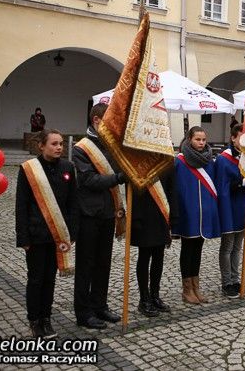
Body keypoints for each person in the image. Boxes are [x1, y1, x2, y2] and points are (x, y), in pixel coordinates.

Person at [16, 129, 78, 338]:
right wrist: (23, 237)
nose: (59, 147)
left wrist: (72, 232)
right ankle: (34, 320)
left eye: (61, 143)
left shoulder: (68, 167)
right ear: (41, 146)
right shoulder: (29, 169)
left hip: (57, 236)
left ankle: (46, 319)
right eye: (54, 144)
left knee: (50, 279)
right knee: (36, 279)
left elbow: (73, 202)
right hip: (36, 235)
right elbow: (21, 205)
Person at [73, 103, 126, 330]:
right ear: (96, 120)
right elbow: (89, 180)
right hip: (88, 214)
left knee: (103, 263)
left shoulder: (110, 145)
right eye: (109, 122)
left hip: (107, 212)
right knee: (86, 264)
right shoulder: (81, 148)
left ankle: (100, 305)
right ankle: (83, 312)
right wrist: (118, 178)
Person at [173, 126, 219, 305]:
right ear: (189, 139)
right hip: (187, 213)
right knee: (187, 250)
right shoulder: (179, 162)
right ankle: (187, 290)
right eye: (197, 139)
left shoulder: (209, 161)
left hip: (204, 213)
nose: (201, 143)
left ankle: (195, 287)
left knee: (198, 250)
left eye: (203, 140)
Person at [131, 170, 178, 316]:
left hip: (161, 215)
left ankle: (155, 296)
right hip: (144, 216)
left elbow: (172, 189)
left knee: (159, 256)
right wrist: (135, 217)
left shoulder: (166, 162)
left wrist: (174, 216)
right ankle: (144, 299)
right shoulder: (141, 163)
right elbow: (134, 189)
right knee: (144, 257)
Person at [215, 124, 245, 299]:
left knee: (237, 247)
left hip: (242, 206)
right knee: (227, 247)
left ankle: (236, 280)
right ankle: (226, 282)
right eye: (241, 138)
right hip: (229, 206)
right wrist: (240, 183)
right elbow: (222, 187)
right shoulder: (223, 159)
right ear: (233, 138)